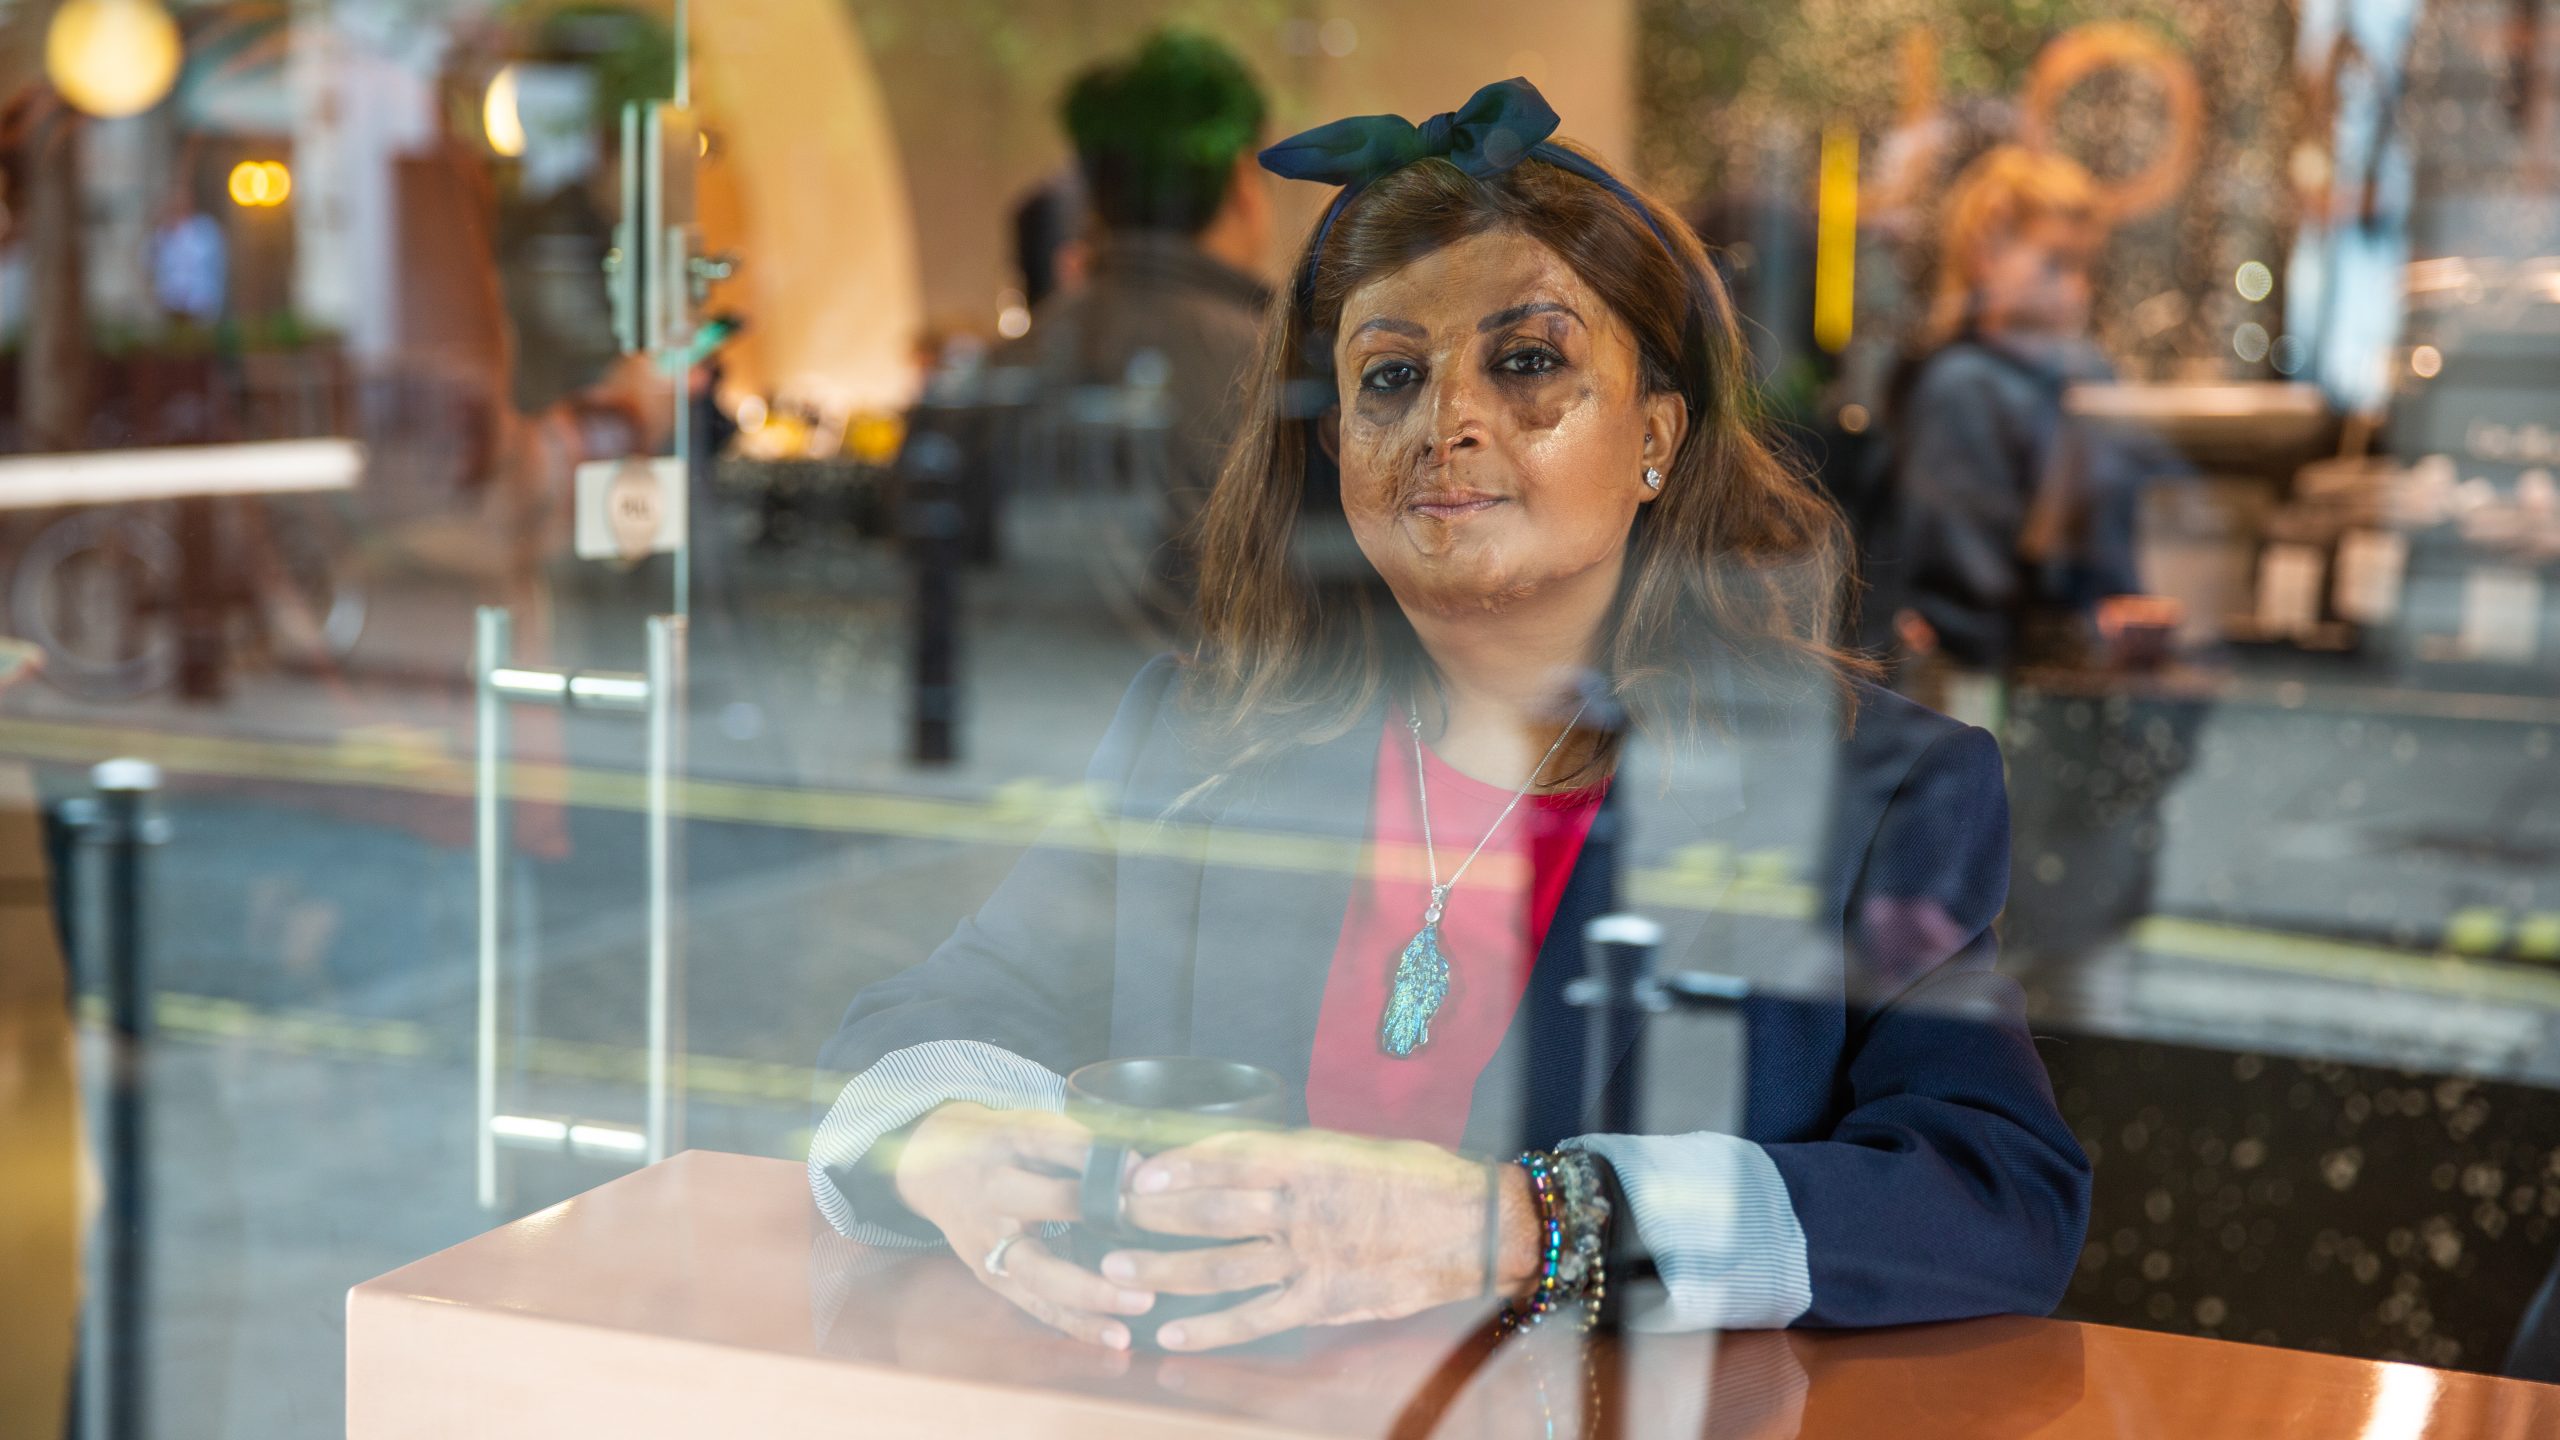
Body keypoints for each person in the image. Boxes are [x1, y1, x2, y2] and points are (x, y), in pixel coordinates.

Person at [812, 79, 2089, 1355]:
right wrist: (956, 1150)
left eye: (1526, 362)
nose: (1448, 422)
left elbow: (1994, 1195)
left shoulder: (1874, 792)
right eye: (1389, 378)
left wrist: (1524, 1227)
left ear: (1657, 434)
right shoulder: (1201, 734)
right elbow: (928, 1023)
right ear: (1328, 444)